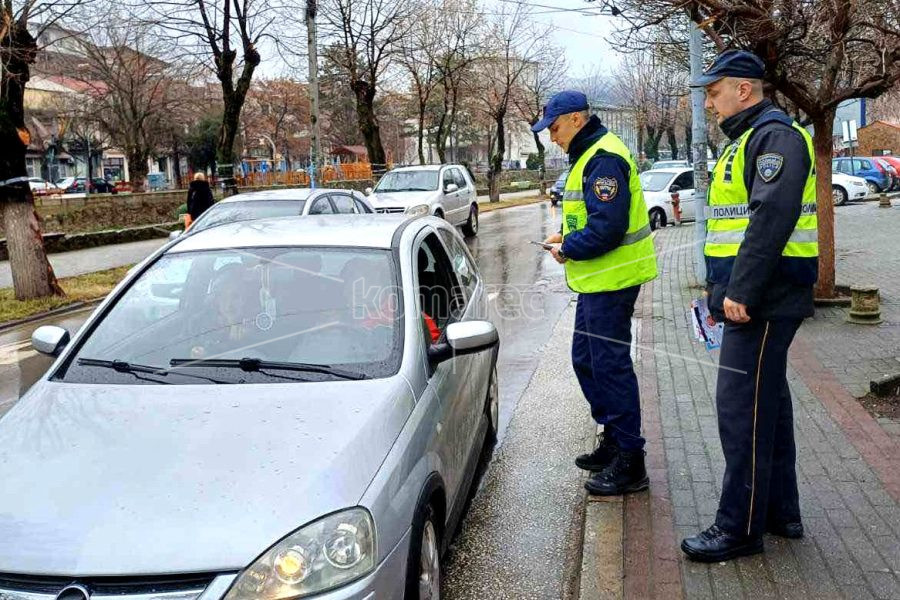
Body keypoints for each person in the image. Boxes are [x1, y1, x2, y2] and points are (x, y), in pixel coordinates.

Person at [680, 50, 818, 563]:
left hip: (760, 302)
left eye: (714, 92)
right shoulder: (751, 139)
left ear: (743, 89)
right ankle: (781, 511)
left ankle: (738, 527)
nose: (710, 103)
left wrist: (740, 292)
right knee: (770, 407)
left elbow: (769, 220)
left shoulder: (774, 137)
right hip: (758, 297)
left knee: (742, 412)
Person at [532, 90, 658, 496]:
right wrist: (566, 236)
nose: (551, 137)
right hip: (596, 282)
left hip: (613, 280)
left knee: (609, 366)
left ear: (574, 119)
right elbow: (593, 219)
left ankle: (630, 459)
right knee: (586, 360)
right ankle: (614, 438)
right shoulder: (589, 154)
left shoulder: (602, 157)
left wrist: (568, 248)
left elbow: (608, 228)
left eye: (553, 127)